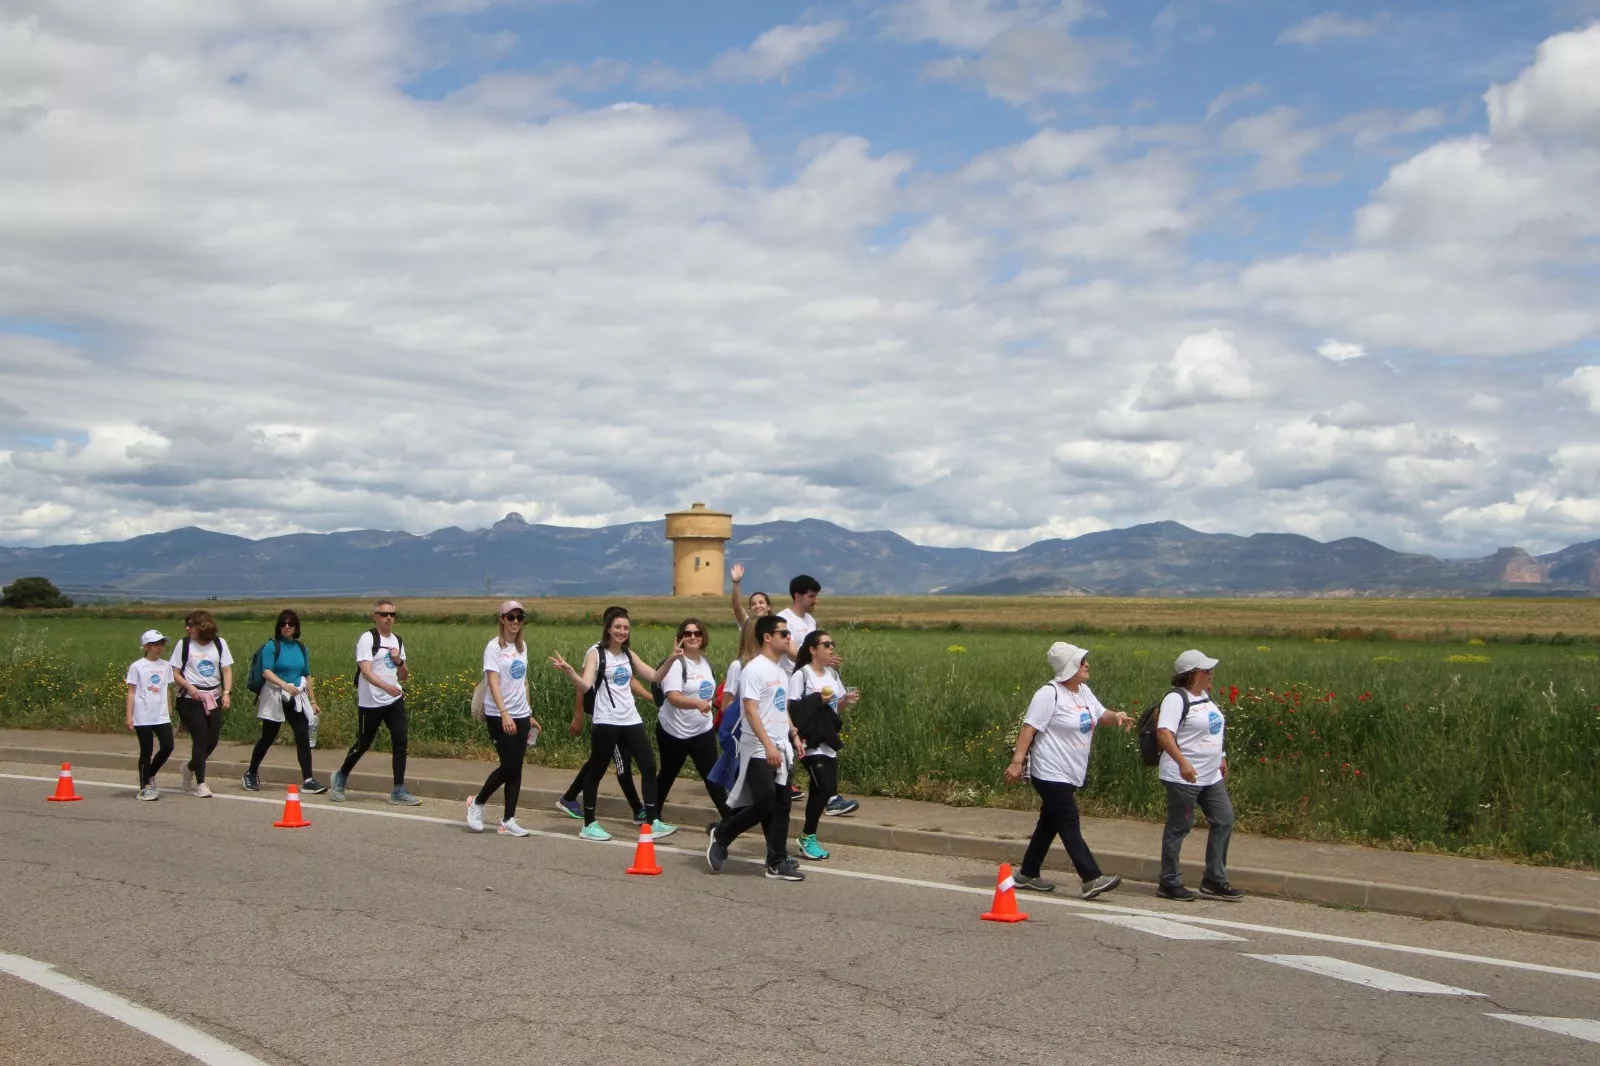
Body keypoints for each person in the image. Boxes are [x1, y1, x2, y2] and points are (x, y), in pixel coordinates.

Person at [1003, 642, 1131, 899]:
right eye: (1082, 661)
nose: (1087, 665)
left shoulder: (1083, 692)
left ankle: (1027, 874)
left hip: (1071, 771)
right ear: (1069, 667)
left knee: (1049, 823)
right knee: (1068, 820)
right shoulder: (1048, 694)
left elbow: (1100, 713)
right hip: (1049, 770)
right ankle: (1091, 878)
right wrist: (1017, 763)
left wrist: (1116, 716)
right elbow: (1029, 729)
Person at [549, 606, 682, 843]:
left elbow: (654, 676)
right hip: (606, 720)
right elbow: (586, 685)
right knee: (597, 771)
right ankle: (589, 824)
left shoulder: (628, 655)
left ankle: (653, 821)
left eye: (626, 628)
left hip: (630, 719)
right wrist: (570, 672)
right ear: (608, 629)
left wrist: (672, 658)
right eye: (618, 627)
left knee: (649, 765)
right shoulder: (596, 654)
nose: (622, 631)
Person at [705, 614, 805, 881]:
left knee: (782, 804)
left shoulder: (782, 670)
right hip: (759, 748)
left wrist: (792, 734)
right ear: (767, 637)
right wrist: (768, 745)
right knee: (765, 803)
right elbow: (750, 710)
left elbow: (781, 707)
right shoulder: (754, 669)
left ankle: (777, 860)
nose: (788, 638)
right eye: (783, 634)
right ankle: (723, 832)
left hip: (781, 744)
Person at [1155, 649, 1244, 902]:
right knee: (1179, 827)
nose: (1211, 674)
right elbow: (1164, 733)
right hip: (1184, 776)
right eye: (1206, 670)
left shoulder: (1205, 696)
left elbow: (1213, 727)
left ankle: (1214, 879)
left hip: (1210, 775)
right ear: (1192, 675)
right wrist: (1182, 762)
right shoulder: (1175, 699)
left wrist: (1222, 755)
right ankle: (1169, 882)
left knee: (1224, 819)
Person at [331, 600, 420, 805]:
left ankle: (398, 790)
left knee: (400, 741)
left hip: (393, 701)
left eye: (392, 615)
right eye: (383, 614)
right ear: (375, 616)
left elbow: (404, 676)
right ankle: (341, 776)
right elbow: (366, 671)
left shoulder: (397, 640)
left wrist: (399, 662)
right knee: (363, 743)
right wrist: (386, 687)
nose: (388, 618)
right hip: (371, 702)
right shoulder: (368, 638)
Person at [467, 601, 542, 836]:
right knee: (508, 765)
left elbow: (522, 682)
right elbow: (493, 682)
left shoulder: (522, 647)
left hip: (520, 714)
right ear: (502, 619)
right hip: (499, 714)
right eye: (511, 617)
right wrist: (504, 713)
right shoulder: (494, 648)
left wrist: (528, 713)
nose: (516, 622)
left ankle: (508, 820)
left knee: (516, 767)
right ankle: (477, 803)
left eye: (520, 617)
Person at [789, 630, 861, 861]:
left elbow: (835, 709)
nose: (831, 648)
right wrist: (794, 736)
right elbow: (790, 709)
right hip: (809, 742)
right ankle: (807, 836)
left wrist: (844, 702)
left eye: (832, 643)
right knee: (825, 787)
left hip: (827, 738)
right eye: (826, 644)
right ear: (812, 649)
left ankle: (808, 836)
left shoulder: (831, 673)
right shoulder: (802, 675)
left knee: (821, 790)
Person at [655, 618, 731, 828]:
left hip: (701, 729)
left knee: (712, 775)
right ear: (680, 639)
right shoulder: (676, 664)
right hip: (674, 731)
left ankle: (729, 818)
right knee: (668, 774)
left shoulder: (705, 663)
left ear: (703, 637)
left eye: (697, 633)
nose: (692, 637)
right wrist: (696, 704)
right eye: (687, 634)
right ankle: (652, 816)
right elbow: (673, 696)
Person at [243, 610, 326, 794]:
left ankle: (308, 779)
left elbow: (306, 674)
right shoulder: (272, 646)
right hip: (275, 695)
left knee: (303, 735)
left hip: (296, 697)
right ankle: (251, 772)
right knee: (268, 736)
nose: (286, 627)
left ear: (296, 627)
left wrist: (313, 701)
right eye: (283, 624)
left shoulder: (301, 648)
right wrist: (284, 685)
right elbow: (267, 672)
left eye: (290, 624)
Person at [554, 689, 646, 822]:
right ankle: (637, 809)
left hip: (622, 720)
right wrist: (578, 715)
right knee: (623, 762)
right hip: (608, 721)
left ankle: (569, 797)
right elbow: (582, 686)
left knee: (597, 761)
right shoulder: (592, 667)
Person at [169, 610, 233, 798]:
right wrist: (189, 687)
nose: (187, 628)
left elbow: (227, 670)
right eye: (186, 625)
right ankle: (201, 783)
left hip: (213, 696)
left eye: (191, 625)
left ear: (201, 626)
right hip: (190, 698)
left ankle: (189, 767)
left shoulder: (219, 644)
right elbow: (174, 672)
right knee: (200, 737)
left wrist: (227, 693)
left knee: (212, 740)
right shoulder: (184, 645)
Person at [126, 629, 175, 801]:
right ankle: (144, 787)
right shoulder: (137, 666)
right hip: (143, 715)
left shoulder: (166, 665)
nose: (159, 648)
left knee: (168, 746)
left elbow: (166, 689)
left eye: (161, 644)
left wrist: (169, 708)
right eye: (155, 644)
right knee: (146, 750)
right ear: (146, 646)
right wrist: (129, 716)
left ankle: (150, 774)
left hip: (160, 715)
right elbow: (131, 692)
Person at [776, 574, 820, 671]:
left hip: (809, 675)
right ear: (797, 596)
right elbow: (791, 653)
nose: (815, 601)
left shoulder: (811, 620)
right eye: (811, 596)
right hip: (790, 677)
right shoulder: (783, 618)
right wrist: (819, 660)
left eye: (816, 596)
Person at [728, 563, 771, 631]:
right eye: (753, 604)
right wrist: (736, 582)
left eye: (761, 602)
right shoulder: (748, 625)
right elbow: (737, 609)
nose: (757, 606)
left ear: (768, 606)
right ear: (750, 609)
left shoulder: (776, 625)